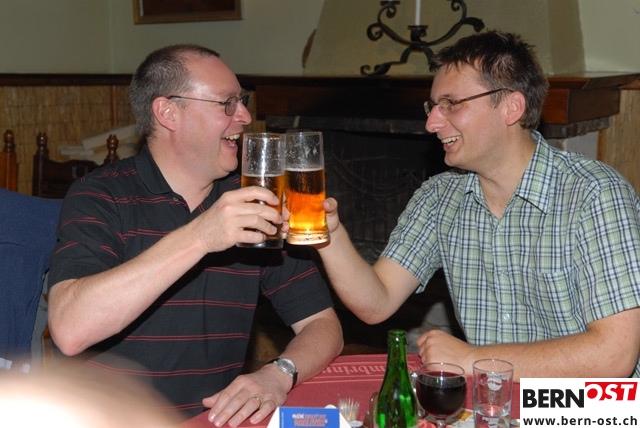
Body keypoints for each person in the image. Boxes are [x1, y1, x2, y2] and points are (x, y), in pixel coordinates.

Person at [46, 44, 343, 426]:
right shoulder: (102, 195)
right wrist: (201, 236)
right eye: (227, 103)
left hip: (212, 421)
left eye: (242, 102)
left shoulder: (252, 201)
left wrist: (279, 373)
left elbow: (323, 325)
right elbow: (70, 330)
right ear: (167, 113)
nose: (244, 116)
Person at [316, 30, 640, 380]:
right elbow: (376, 303)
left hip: (584, 406)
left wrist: (474, 359)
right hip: (490, 403)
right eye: (432, 106)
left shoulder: (594, 194)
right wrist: (328, 232)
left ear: (512, 107)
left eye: (452, 104)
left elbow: (615, 356)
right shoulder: (439, 197)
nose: (431, 123)